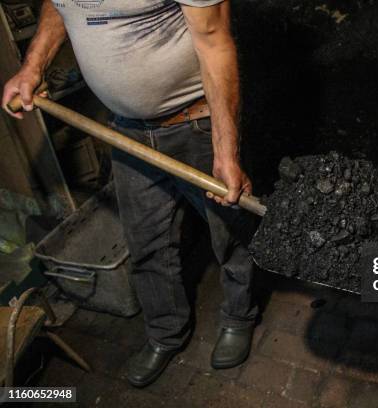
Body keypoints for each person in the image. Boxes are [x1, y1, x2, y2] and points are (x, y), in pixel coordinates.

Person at [2, 0, 259, 388]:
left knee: (229, 230)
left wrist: (226, 152)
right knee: (146, 239)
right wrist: (33, 65)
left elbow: (215, 43)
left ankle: (239, 315)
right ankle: (165, 333)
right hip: (125, 131)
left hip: (196, 123)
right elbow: (61, 4)